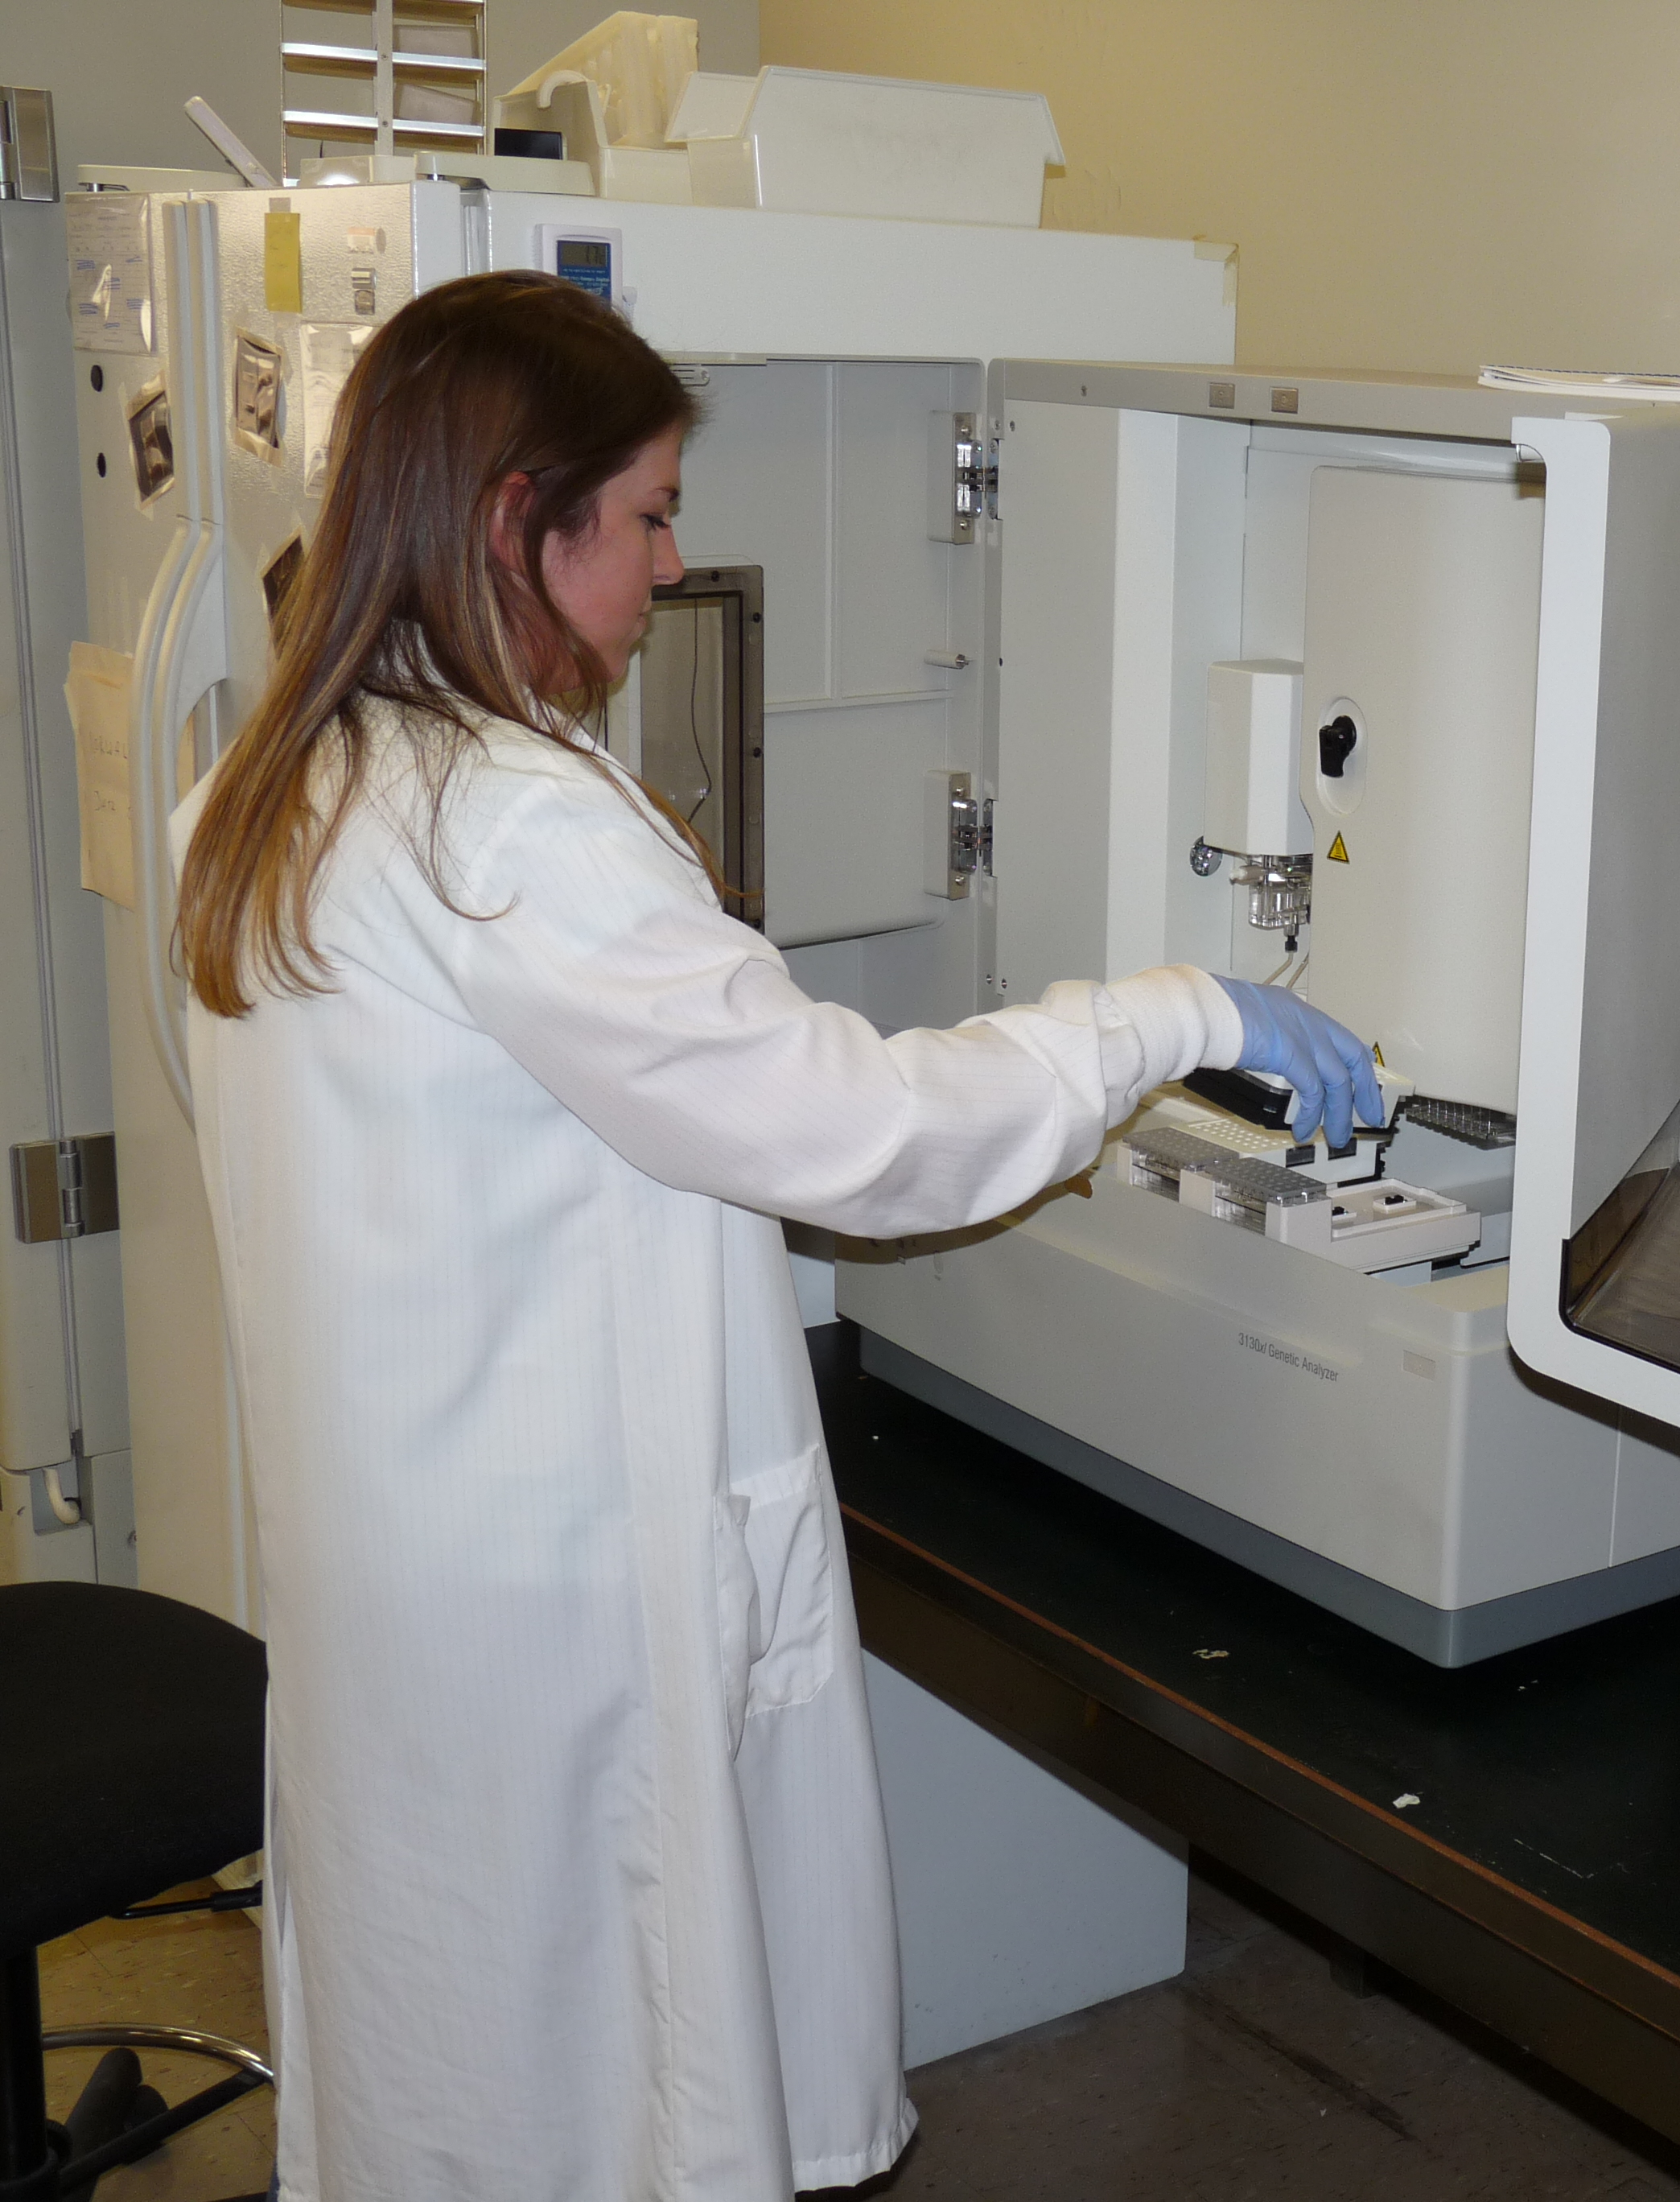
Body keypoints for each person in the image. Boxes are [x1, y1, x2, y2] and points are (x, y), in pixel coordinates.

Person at [170, 269, 1381, 2201]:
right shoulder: (513, 835)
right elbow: (861, 1136)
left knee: (457, 2077)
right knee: (597, 2088)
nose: (668, 564)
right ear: (516, 519)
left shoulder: (274, 788)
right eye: (644, 514)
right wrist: (1177, 1014)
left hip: (405, 1580)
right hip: (559, 1608)